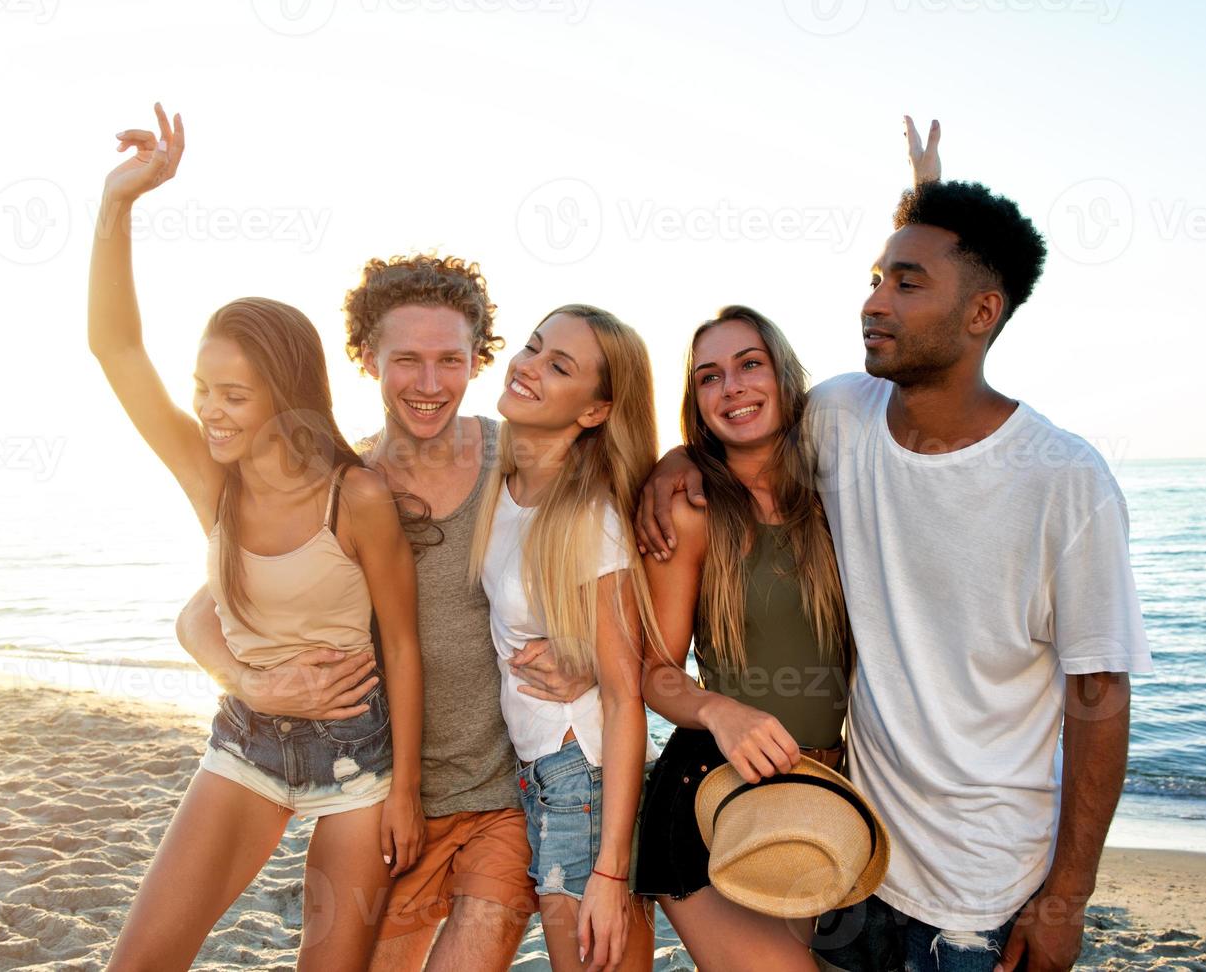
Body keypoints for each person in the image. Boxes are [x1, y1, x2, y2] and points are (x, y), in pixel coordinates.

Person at [635, 119, 1151, 972]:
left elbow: (1098, 696)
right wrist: (674, 459)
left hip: (976, 896)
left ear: (983, 312)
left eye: (905, 284)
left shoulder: (1064, 481)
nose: (873, 301)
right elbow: (743, 426)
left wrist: (1066, 897)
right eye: (875, 279)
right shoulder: (843, 417)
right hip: (849, 847)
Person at [176, 253, 593, 972]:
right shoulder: (342, 488)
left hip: (508, 796)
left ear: (476, 360)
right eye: (406, 360)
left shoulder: (522, 460)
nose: (429, 385)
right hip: (383, 802)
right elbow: (202, 610)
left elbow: (619, 551)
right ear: (368, 358)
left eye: (450, 360)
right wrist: (248, 682)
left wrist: (580, 648)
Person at [90, 103, 425, 971]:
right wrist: (118, 203)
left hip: (359, 761)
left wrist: (408, 795)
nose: (207, 409)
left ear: (283, 392)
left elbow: (404, 643)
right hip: (246, 738)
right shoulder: (215, 480)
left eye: (231, 395)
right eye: (203, 388)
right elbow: (116, 349)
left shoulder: (355, 497)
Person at [633, 305, 852, 969]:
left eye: (748, 364)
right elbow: (655, 672)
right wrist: (718, 710)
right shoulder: (689, 508)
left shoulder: (839, 494)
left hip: (820, 795)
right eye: (708, 376)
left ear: (784, 378)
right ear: (695, 403)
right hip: (711, 794)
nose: (731, 386)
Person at [470, 305, 660, 972]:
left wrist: (610, 873)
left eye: (559, 366)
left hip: (580, 776)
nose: (527, 366)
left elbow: (622, 696)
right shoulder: (501, 483)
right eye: (532, 347)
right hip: (538, 772)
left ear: (594, 411)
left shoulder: (589, 516)